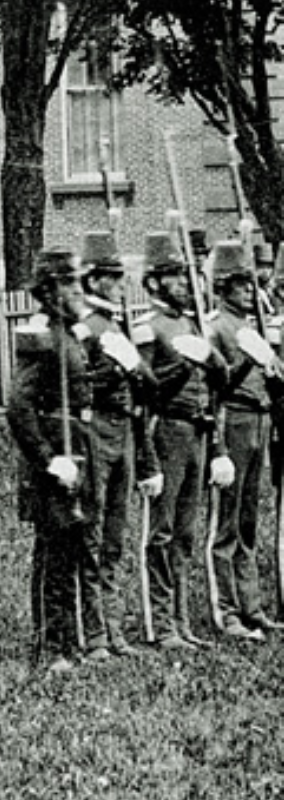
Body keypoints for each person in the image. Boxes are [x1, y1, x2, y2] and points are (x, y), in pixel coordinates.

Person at [134, 231, 232, 651]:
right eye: (174, 275)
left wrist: (212, 358)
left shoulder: (191, 322)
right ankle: (158, 622)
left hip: (197, 430)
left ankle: (180, 619)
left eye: (185, 274)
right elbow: (144, 393)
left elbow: (218, 384)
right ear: (154, 282)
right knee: (161, 531)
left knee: (186, 534)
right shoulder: (146, 328)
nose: (184, 283)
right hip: (166, 428)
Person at [6, 248, 94, 674]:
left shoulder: (70, 332)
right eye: (70, 284)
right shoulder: (40, 333)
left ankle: (68, 639)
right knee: (52, 553)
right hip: (53, 457)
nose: (78, 291)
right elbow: (18, 407)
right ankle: (48, 646)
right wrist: (47, 459)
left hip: (76, 447)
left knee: (71, 549)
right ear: (50, 289)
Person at [77, 232, 162, 659]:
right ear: (91, 281)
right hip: (96, 433)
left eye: (118, 277)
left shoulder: (117, 325)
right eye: (109, 278)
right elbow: (73, 386)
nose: (117, 284)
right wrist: (106, 376)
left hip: (125, 432)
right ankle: (93, 633)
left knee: (115, 534)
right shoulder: (85, 327)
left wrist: (132, 368)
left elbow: (148, 387)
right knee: (92, 533)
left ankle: (114, 628)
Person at [206, 240, 284, 641]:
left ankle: (251, 605)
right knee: (227, 521)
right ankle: (227, 609)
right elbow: (214, 388)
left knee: (249, 520)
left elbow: (274, 375)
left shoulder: (252, 325)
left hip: (259, 419)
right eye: (239, 286)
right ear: (222, 288)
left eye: (249, 285)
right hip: (232, 418)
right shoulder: (216, 327)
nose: (248, 292)